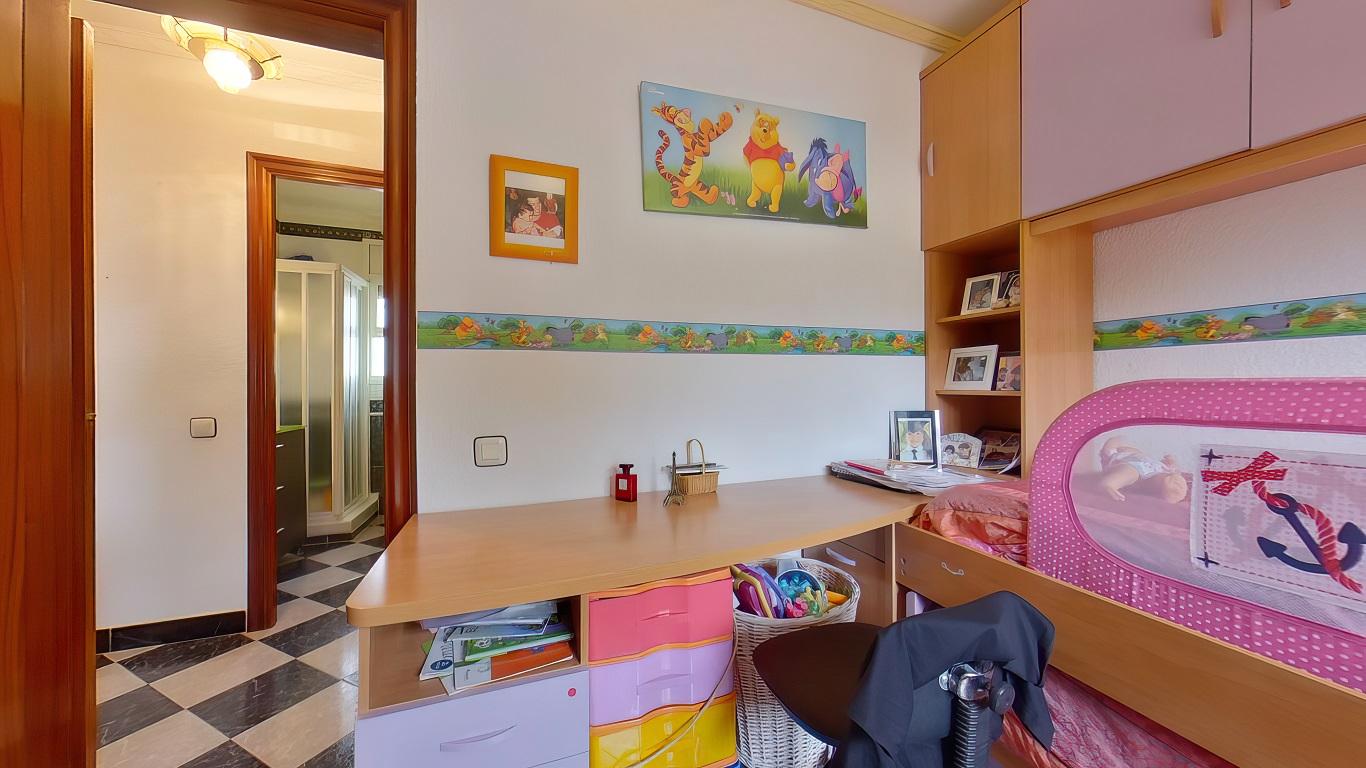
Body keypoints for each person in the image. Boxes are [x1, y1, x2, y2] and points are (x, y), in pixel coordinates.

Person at [1097, 437, 1188, 504]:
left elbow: (1106, 483)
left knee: (1114, 445)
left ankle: (1108, 457)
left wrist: (1108, 486)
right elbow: (1173, 469)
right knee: (1128, 445)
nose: (1170, 472)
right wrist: (1170, 462)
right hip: (1137, 458)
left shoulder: (1134, 474)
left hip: (1119, 459)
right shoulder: (1166, 472)